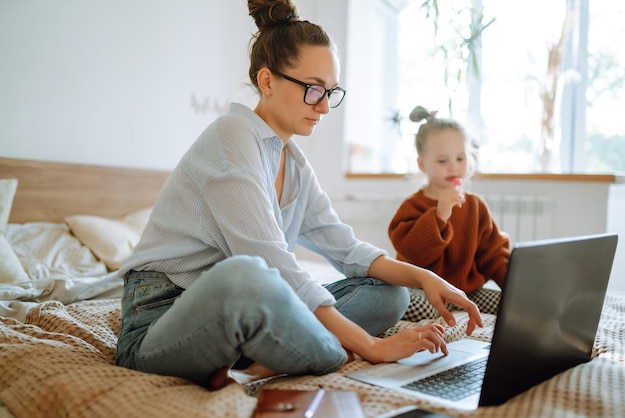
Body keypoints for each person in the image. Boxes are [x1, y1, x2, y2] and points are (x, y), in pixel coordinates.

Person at [115, 1, 483, 390]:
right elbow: (272, 264)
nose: (324, 106)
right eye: (313, 90)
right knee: (247, 275)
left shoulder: (294, 163)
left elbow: (347, 250)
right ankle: (320, 353)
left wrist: (424, 277)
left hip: (245, 318)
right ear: (268, 81)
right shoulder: (231, 136)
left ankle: (271, 359)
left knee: (390, 295)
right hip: (161, 319)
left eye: (330, 91)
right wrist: (372, 346)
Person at [388, 105, 511, 322]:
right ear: (422, 163)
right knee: (410, 304)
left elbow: (493, 255)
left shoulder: (475, 206)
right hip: (425, 291)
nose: (453, 167)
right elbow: (413, 253)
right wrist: (440, 215)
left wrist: (514, 287)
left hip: (467, 292)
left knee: (510, 303)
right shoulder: (413, 206)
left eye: (460, 159)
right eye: (443, 161)